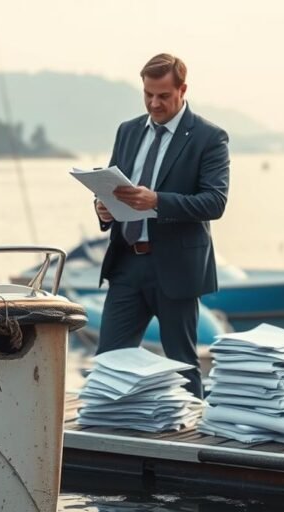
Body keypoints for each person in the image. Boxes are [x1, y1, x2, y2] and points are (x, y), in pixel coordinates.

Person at [94, 53, 230, 398]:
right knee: (108, 362)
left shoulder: (209, 137)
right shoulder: (127, 131)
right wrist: (103, 208)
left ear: (182, 90)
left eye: (163, 96)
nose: (154, 103)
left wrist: (157, 201)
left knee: (183, 365)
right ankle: (110, 437)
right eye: (148, 94)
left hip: (176, 267)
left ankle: (191, 444)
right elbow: (112, 186)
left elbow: (214, 203)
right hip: (126, 264)